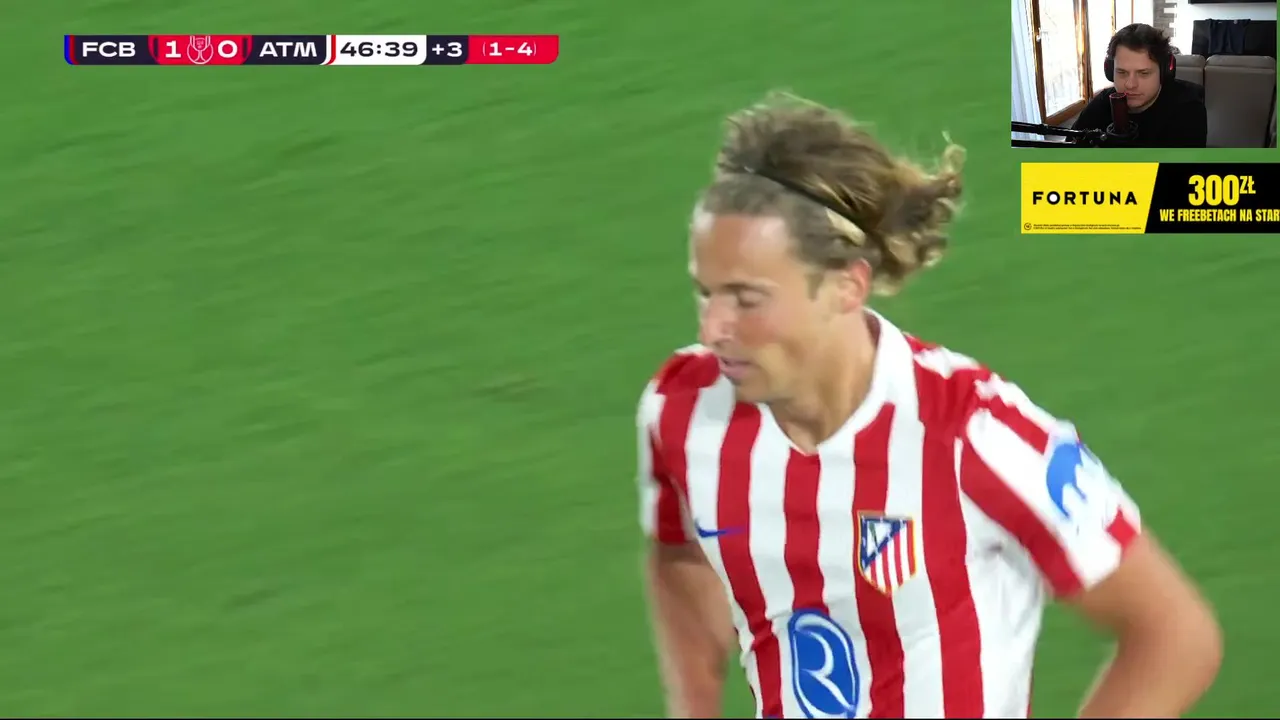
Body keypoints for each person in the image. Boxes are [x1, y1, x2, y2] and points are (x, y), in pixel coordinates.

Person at [636, 93, 1221, 718]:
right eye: (706, 294)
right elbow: (678, 550)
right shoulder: (683, 409)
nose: (714, 329)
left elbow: (1175, 636)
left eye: (747, 299)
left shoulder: (974, 432)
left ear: (846, 286)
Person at [1072, 23, 1208, 147]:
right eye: (1122, 72)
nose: (1130, 85)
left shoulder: (1188, 110)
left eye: (1144, 73)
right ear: (1110, 71)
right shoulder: (1101, 104)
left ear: (1165, 72)